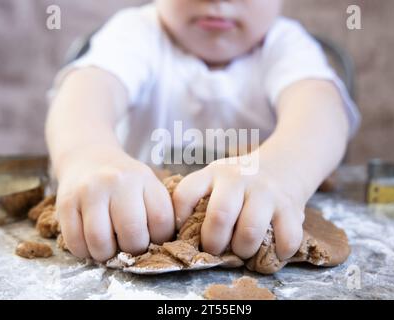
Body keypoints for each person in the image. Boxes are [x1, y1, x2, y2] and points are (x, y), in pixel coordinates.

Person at [46, 0, 360, 262]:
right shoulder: (138, 32)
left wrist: (285, 171)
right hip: (137, 232)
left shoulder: (284, 44)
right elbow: (84, 94)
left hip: (255, 235)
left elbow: (323, 111)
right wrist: (87, 155)